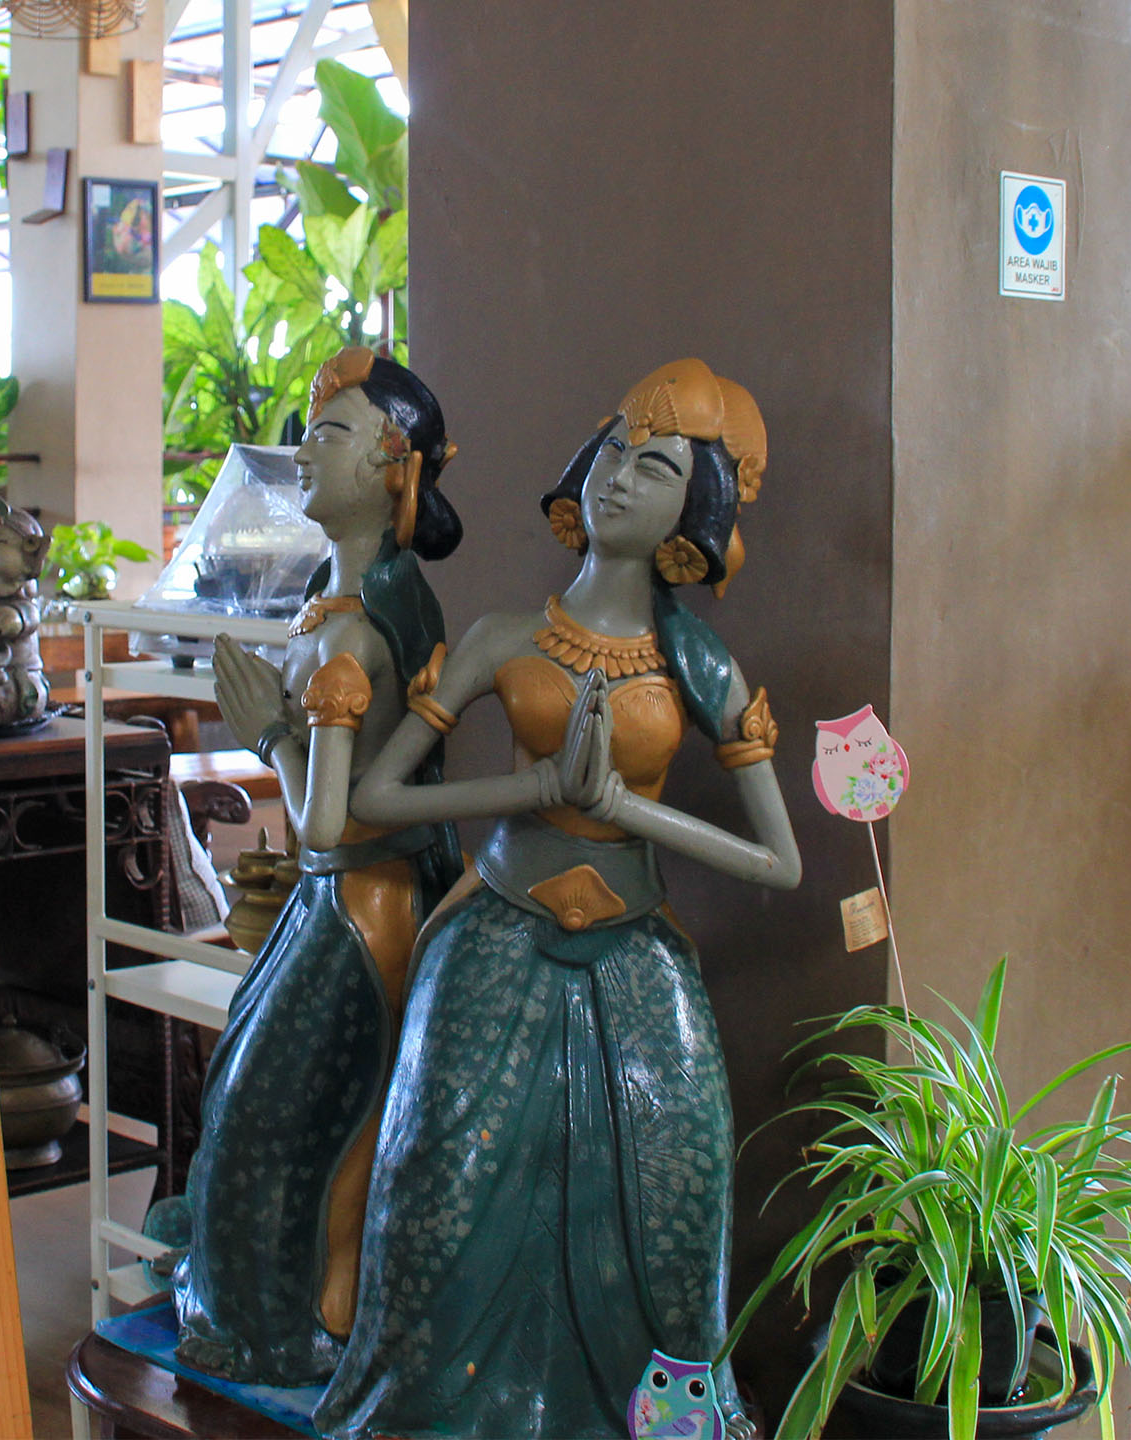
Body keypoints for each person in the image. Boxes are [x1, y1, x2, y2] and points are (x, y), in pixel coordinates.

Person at [318, 358, 801, 1438]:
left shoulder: (696, 666)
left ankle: (657, 1419)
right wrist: (534, 791)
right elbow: (380, 797)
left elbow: (780, 863)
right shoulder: (503, 637)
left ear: (697, 512)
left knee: (674, 1186)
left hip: (636, 948)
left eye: (657, 468)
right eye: (615, 452)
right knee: (440, 1175)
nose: (621, 477)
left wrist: (622, 811)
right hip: (494, 929)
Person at [172, 346, 467, 1385]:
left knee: (279, 1114)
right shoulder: (336, 597)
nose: (302, 452)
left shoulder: (364, 634)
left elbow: (324, 826)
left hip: (358, 903)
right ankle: (273, 1311)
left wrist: (267, 732)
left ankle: (294, 1325)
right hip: (328, 903)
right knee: (265, 1101)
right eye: (307, 432)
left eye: (330, 434)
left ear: (394, 465)